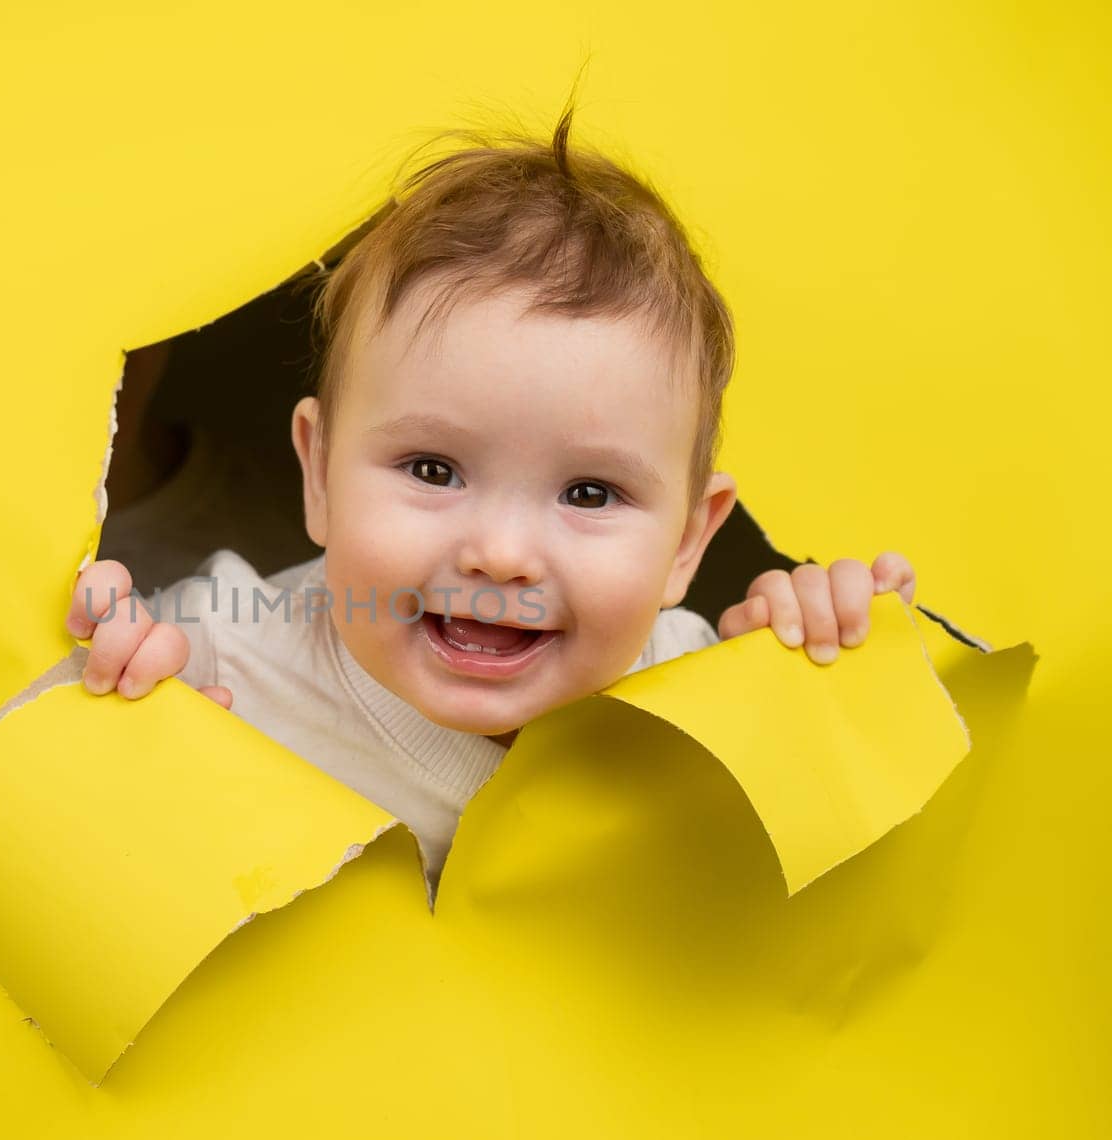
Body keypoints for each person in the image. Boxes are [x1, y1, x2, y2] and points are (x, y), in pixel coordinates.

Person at [64, 104, 916, 902]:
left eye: (589, 492)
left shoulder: (699, 687)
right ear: (319, 477)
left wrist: (824, 665)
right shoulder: (225, 654)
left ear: (689, 545)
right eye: (433, 470)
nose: (500, 553)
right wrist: (111, 673)